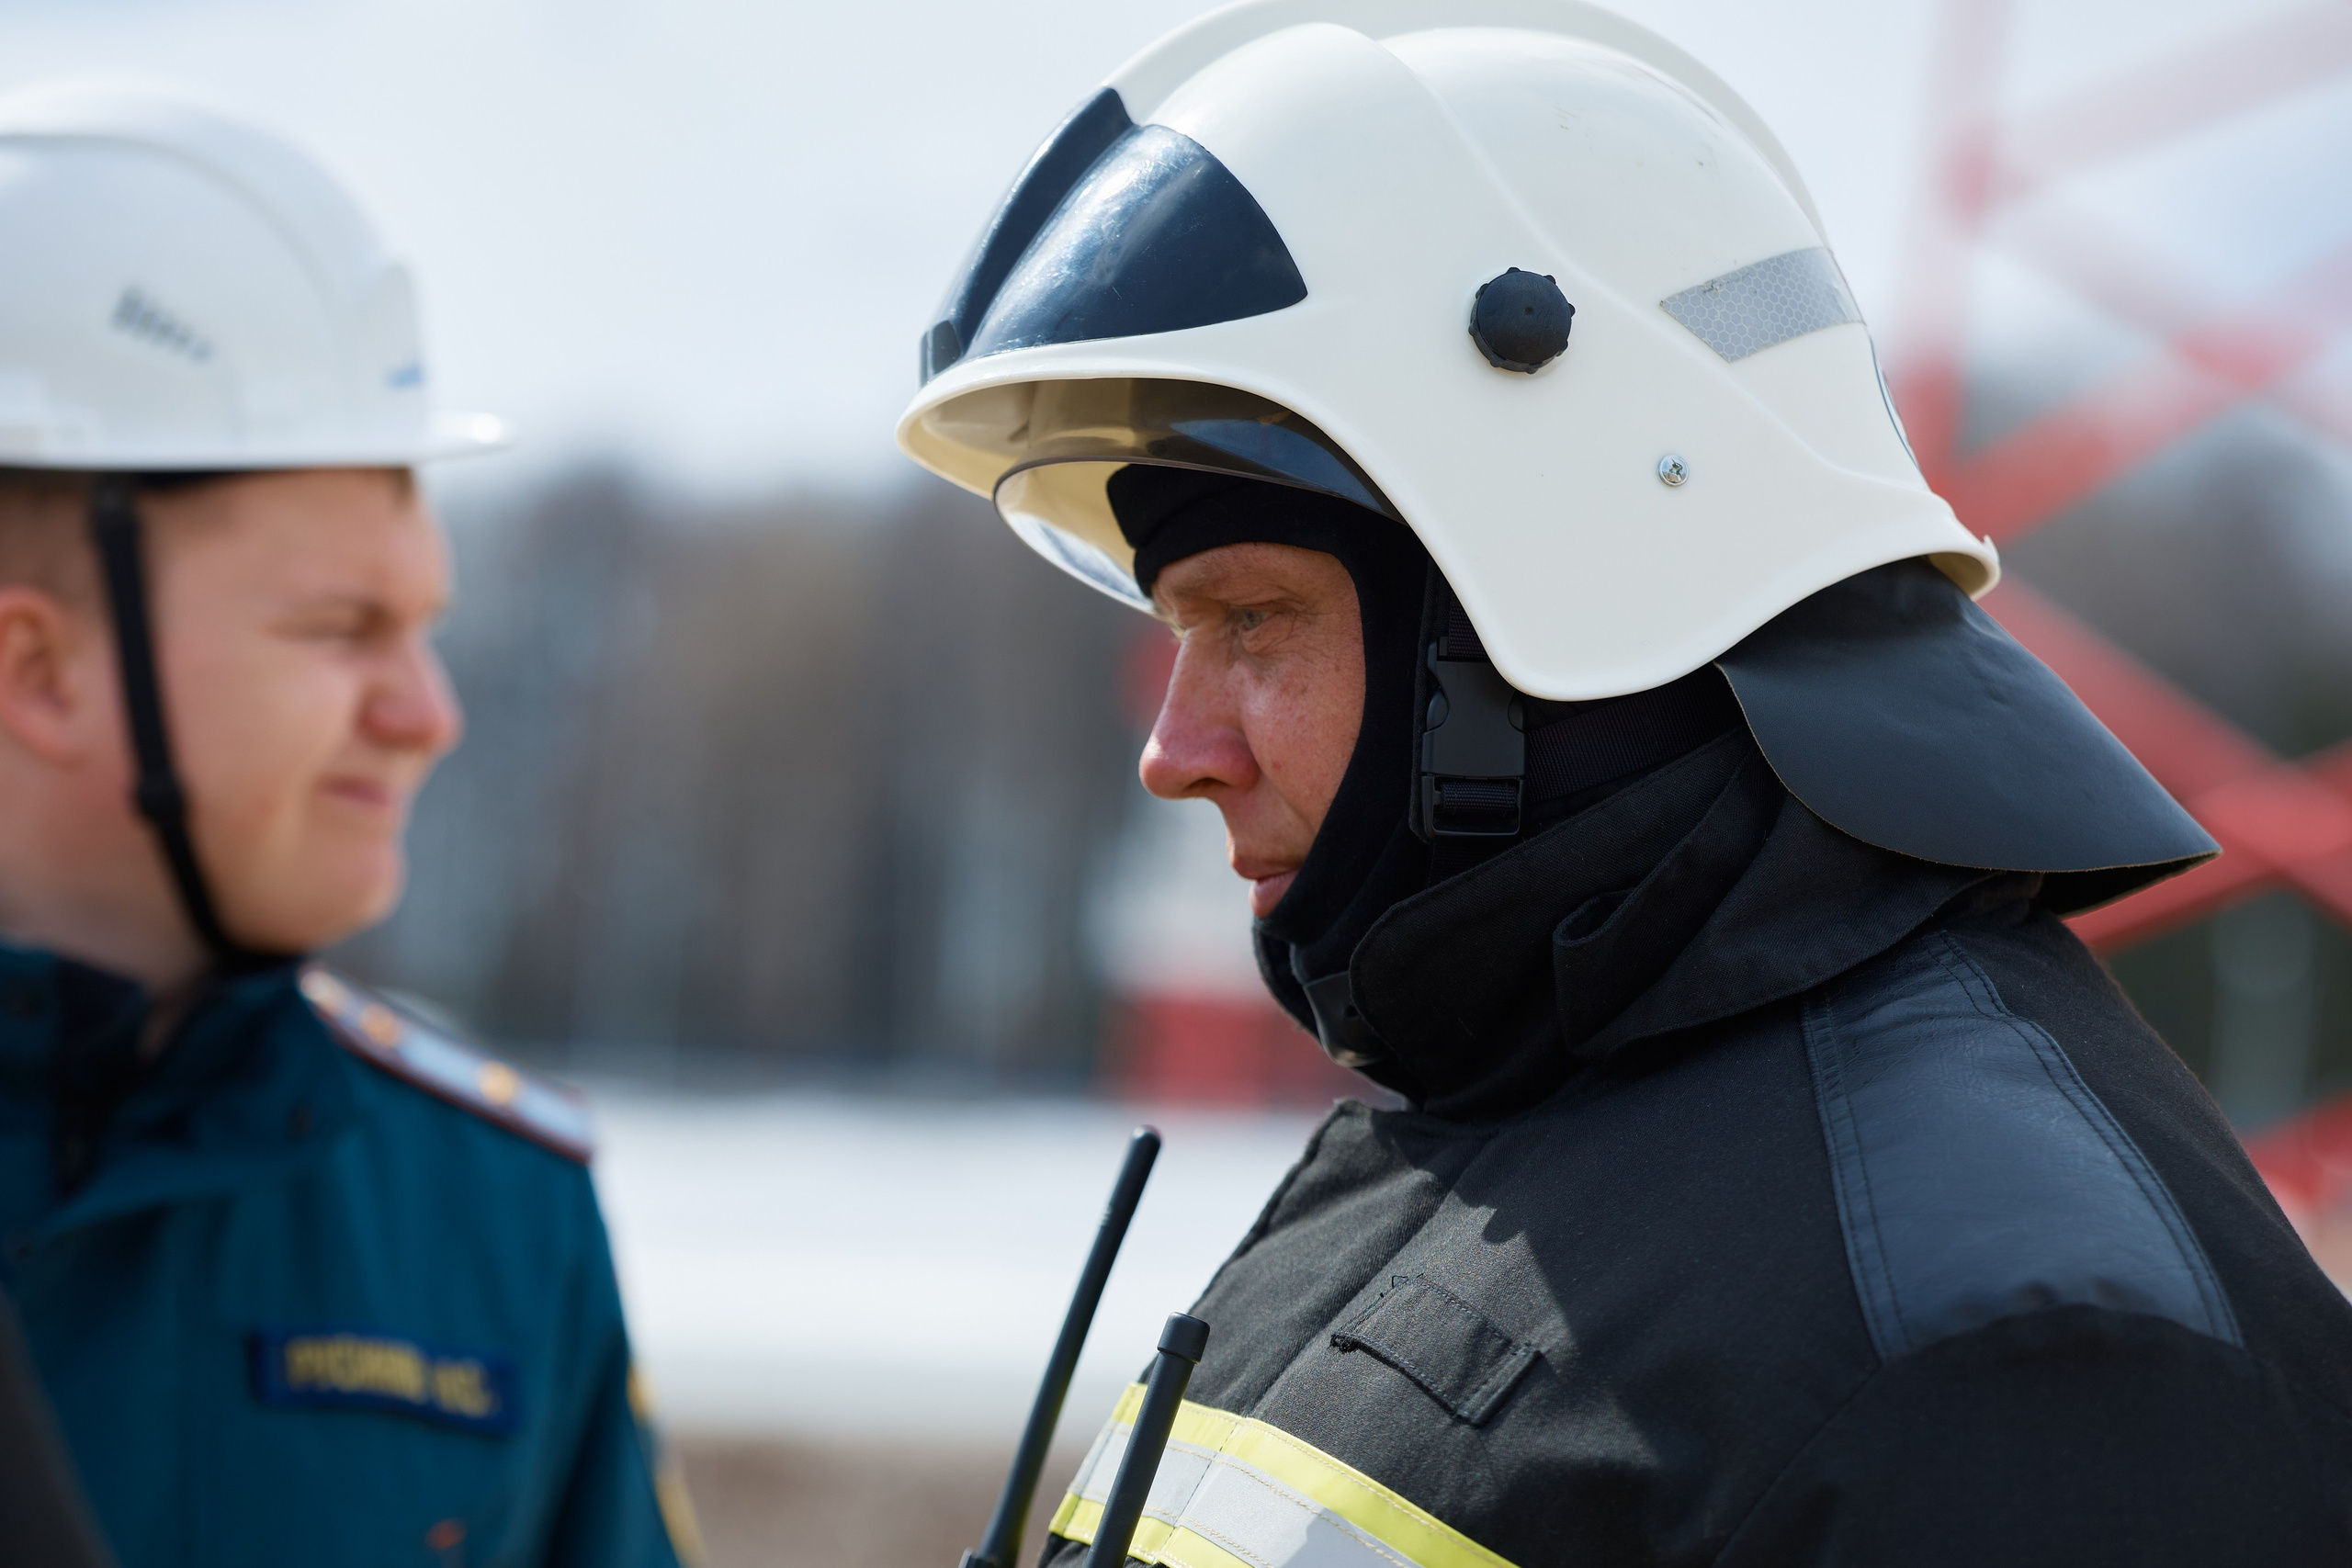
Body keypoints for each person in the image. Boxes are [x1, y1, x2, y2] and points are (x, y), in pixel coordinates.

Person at [897, 4, 2352, 1563]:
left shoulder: (2017, 1354)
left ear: (1565, 580)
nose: (1174, 750)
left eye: (1253, 621)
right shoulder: (1515, 1111)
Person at [0, 85, 695, 1566]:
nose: (425, 712)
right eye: (338, 628)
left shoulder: (493, 1216)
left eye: (422, 625)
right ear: (36, 669)